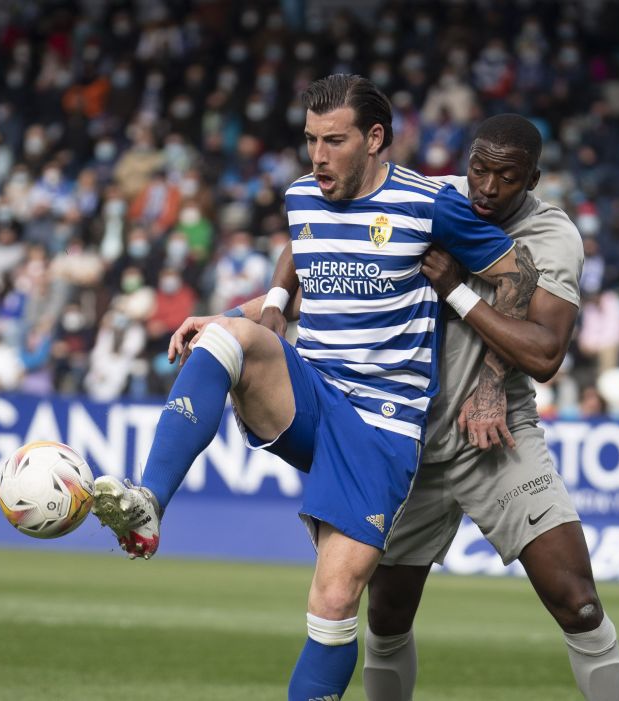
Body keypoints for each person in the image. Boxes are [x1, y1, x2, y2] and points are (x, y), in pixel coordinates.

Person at [172, 114, 619, 700]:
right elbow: (324, 253)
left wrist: (458, 293)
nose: (487, 189)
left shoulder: (551, 236)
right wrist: (240, 316)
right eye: (479, 170)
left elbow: (544, 354)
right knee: (386, 621)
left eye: (507, 178)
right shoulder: (434, 199)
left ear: (532, 180)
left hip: (497, 442)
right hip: (402, 437)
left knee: (579, 602)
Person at [91, 74, 518, 701]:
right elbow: (304, 268)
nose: (318, 156)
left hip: (382, 426)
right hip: (313, 393)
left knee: (335, 599)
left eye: (334, 141)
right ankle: (150, 501)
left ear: (376, 139)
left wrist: (488, 382)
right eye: (311, 140)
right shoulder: (302, 196)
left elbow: (515, 274)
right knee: (226, 339)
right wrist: (253, 309)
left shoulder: (428, 203)